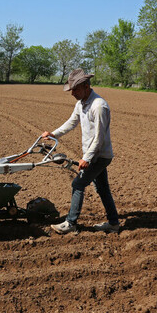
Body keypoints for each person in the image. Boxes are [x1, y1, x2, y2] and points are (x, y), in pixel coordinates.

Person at [41, 68, 120, 234]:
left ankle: (71, 223)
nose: (72, 93)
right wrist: (53, 134)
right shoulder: (81, 104)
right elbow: (71, 122)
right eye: (71, 89)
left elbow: (99, 138)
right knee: (102, 189)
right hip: (94, 155)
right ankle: (113, 223)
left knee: (78, 184)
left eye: (75, 89)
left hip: (100, 156)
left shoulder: (99, 107)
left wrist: (87, 158)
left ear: (86, 86)